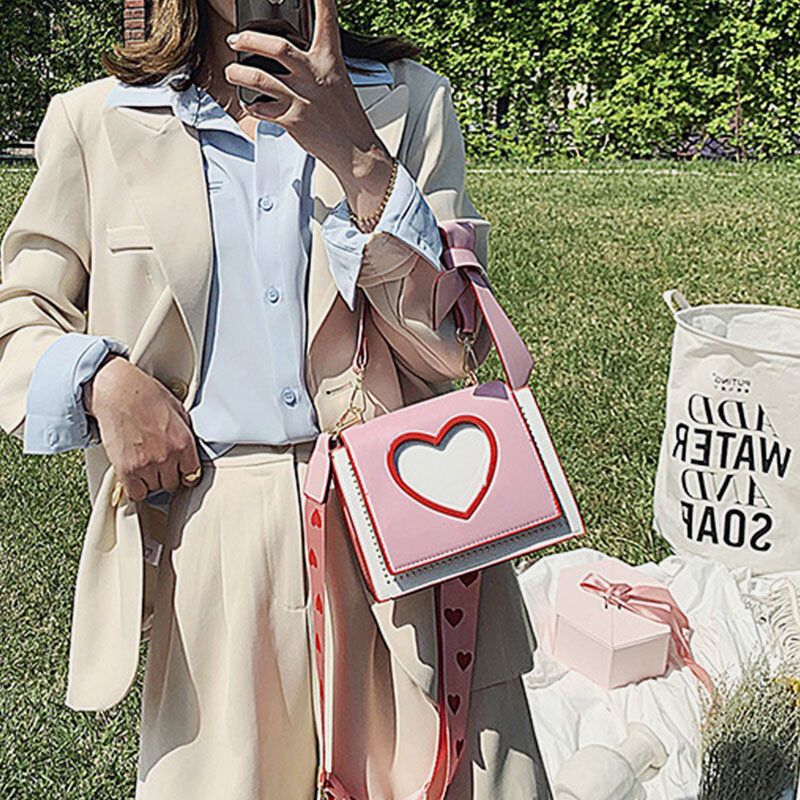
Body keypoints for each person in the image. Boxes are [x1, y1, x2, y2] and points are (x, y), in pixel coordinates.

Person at [0, 0, 553, 797]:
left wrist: (358, 154)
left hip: (409, 509)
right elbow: (18, 314)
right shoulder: (98, 121)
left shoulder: (410, 100)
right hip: (214, 527)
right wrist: (101, 383)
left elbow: (445, 348)